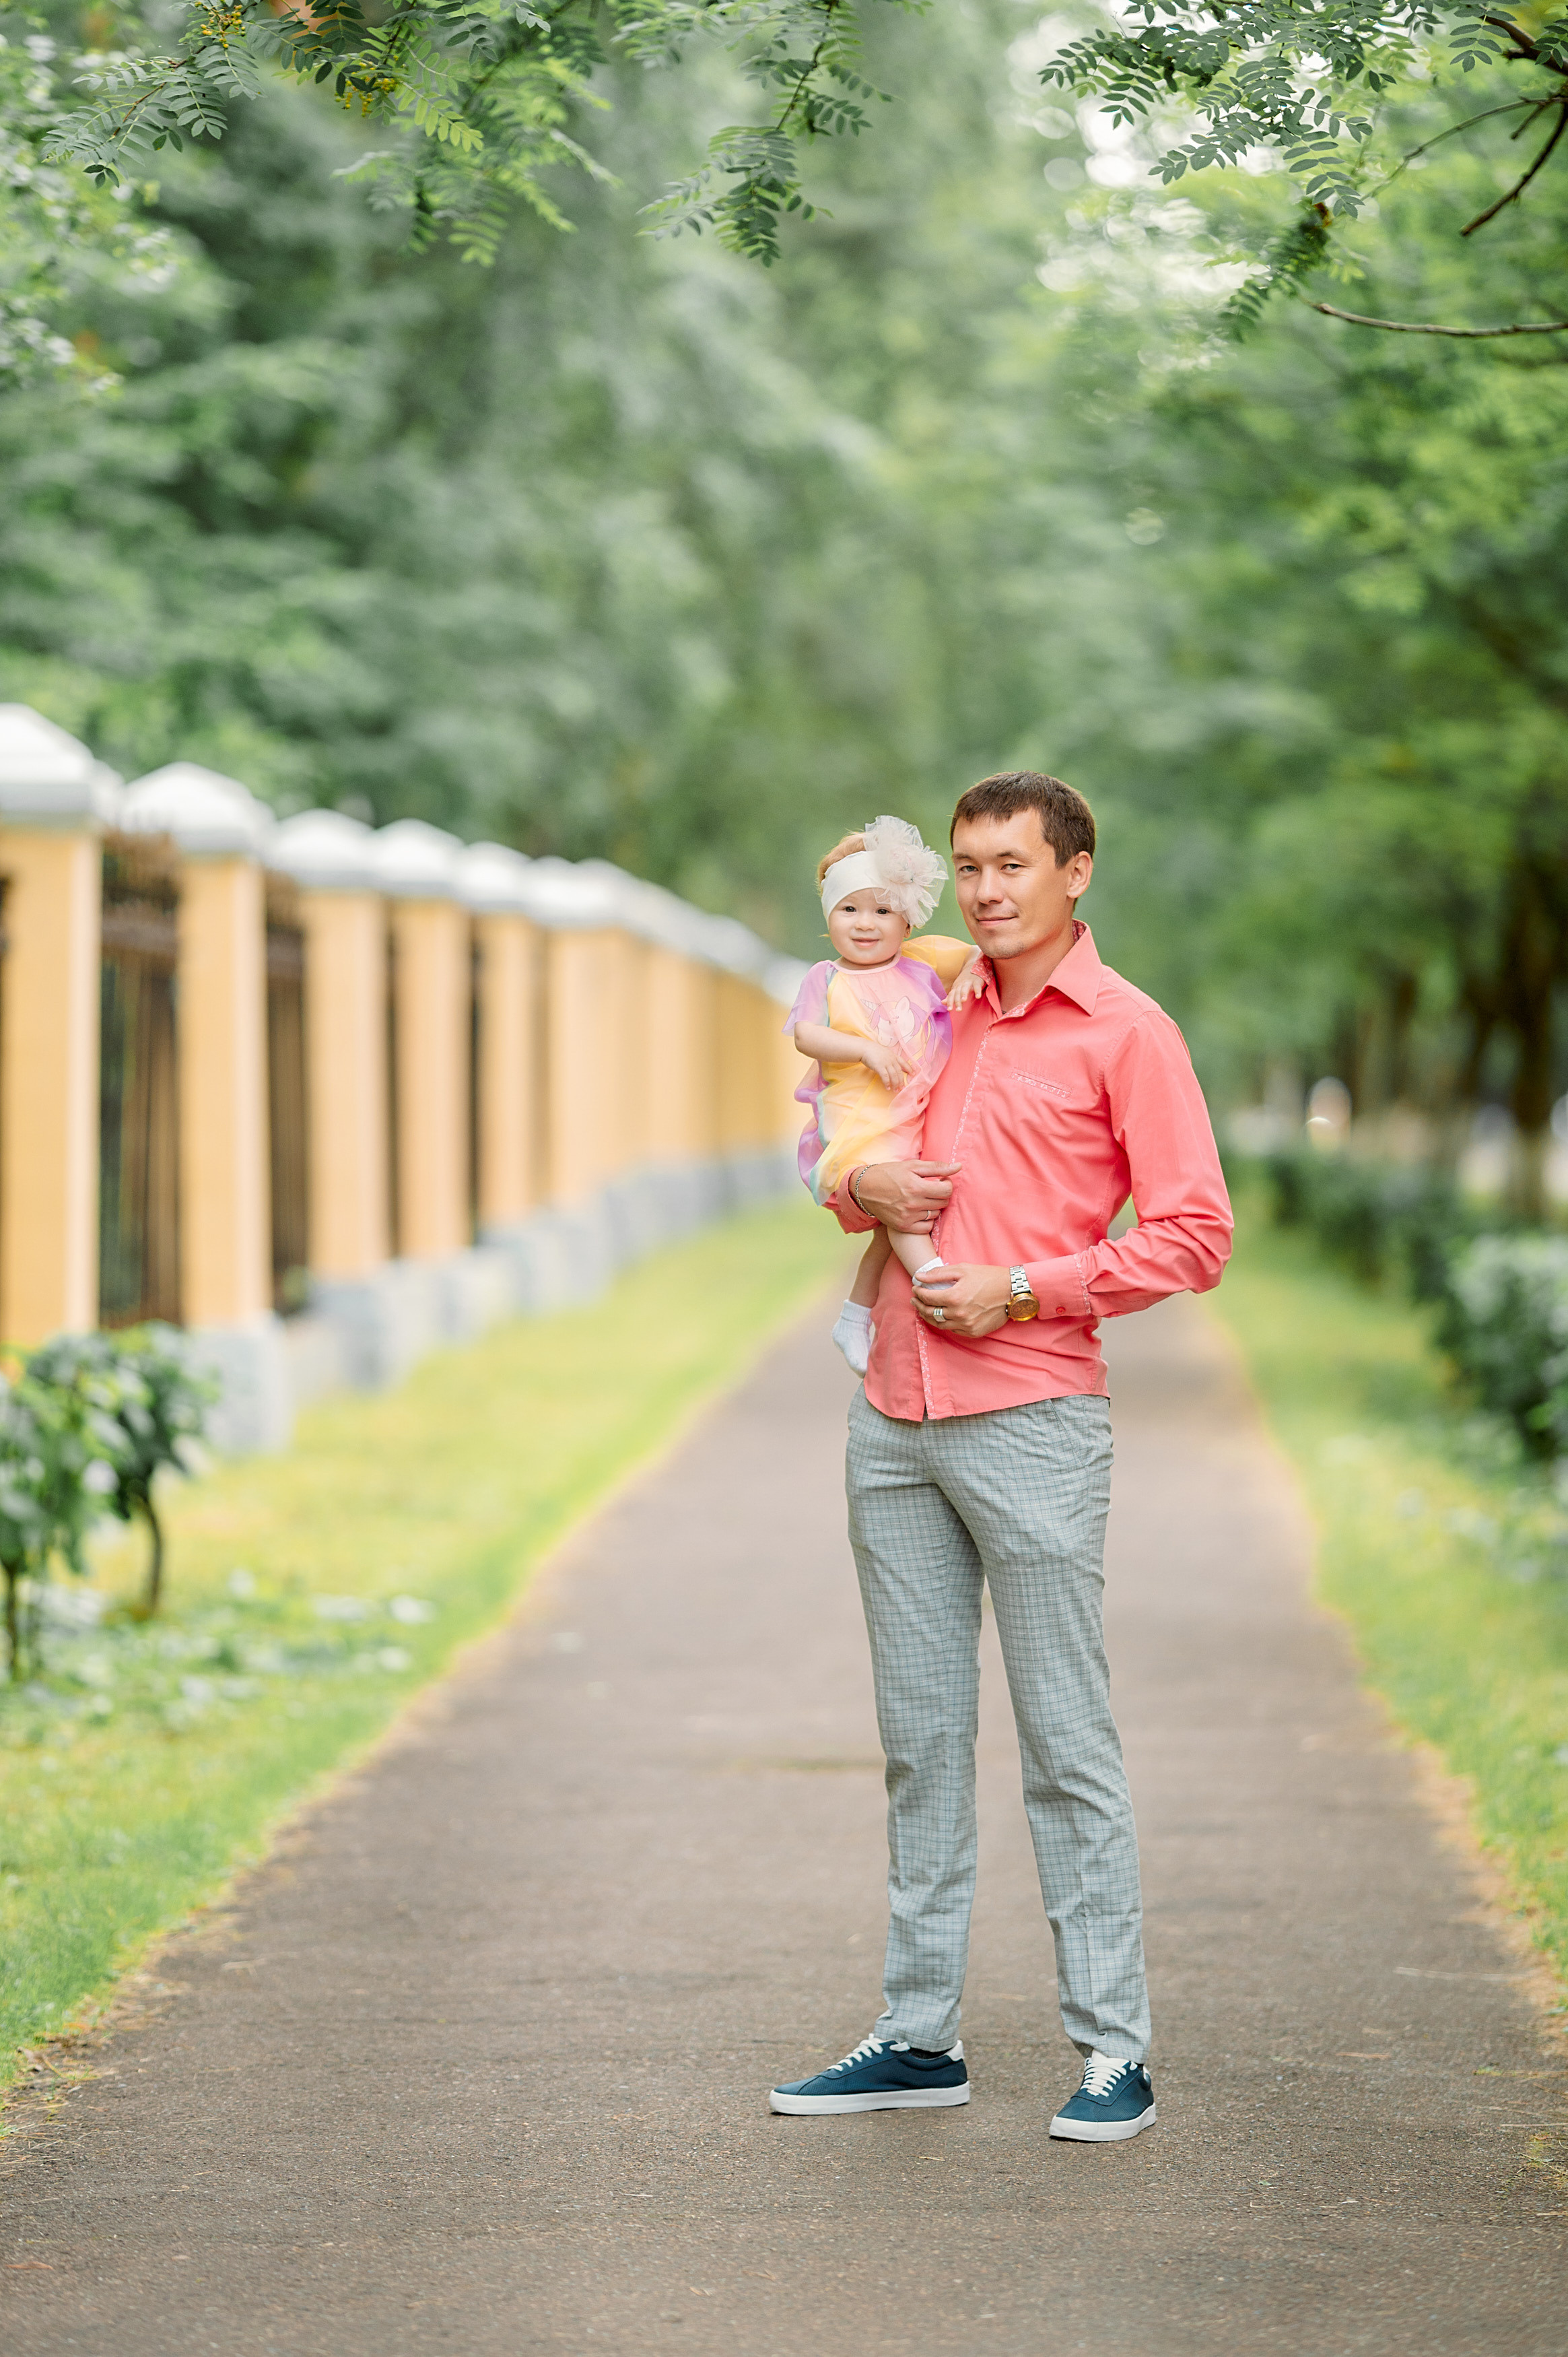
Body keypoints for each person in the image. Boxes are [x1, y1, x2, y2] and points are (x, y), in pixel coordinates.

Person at [769, 770, 1233, 2144]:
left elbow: (1192, 1234)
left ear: (1075, 872)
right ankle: (920, 2037)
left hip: (1030, 1412)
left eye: (1012, 865)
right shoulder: (922, 1000)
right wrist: (857, 1186)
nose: (985, 889)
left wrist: (1023, 1289)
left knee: (1064, 1742)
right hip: (894, 1416)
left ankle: (1115, 2051)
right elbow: (840, 1144)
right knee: (921, 1741)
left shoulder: (1128, 1032)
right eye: (968, 865)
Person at [786, 816, 983, 1374]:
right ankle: (935, 1282)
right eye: (849, 910)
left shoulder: (921, 963)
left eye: (882, 911)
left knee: (894, 1223)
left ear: (906, 918)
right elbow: (806, 1034)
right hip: (858, 1121)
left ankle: (853, 1314)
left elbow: (978, 954)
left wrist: (968, 974)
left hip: (911, 1116)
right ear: (829, 918)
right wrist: (865, 1049)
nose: (866, 924)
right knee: (906, 1220)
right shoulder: (826, 978)